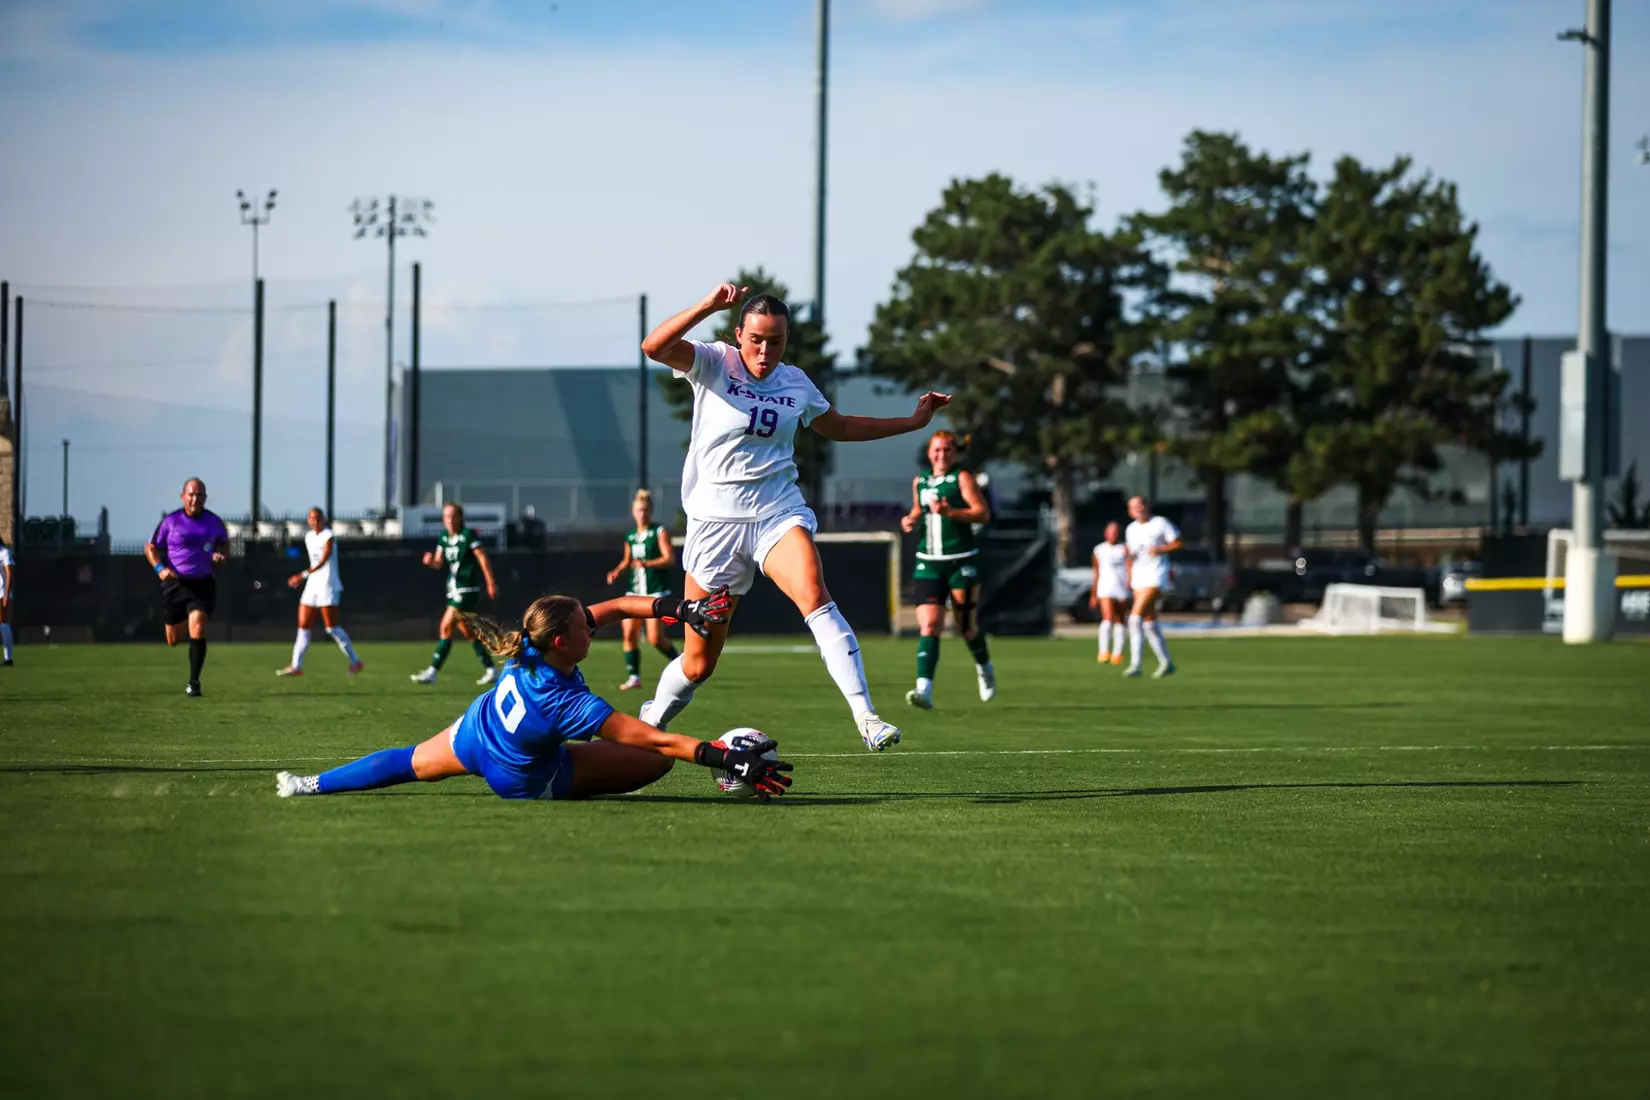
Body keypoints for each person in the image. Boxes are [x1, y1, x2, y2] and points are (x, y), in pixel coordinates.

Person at [638, 283, 950, 751]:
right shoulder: (713, 361)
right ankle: (651, 722)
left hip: (776, 513)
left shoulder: (796, 383)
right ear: (738, 334)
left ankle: (866, 717)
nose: (765, 351)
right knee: (699, 664)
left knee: (815, 595)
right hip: (714, 525)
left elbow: (839, 426)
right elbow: (653, 347)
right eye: (756, 339)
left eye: (776, 341)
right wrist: (707, 305)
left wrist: (911, 422)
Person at [275, 586, 793, 804]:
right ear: (563, 642)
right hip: (523, 777)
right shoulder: (567, 701)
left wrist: (679, 610)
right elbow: (654, 742)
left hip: (477, 731)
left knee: (407, 762)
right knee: (654, 758)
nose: (592, 629)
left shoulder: (530, 642)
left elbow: (615, 607)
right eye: (584, 628)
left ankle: (309, 785)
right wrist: (723, 756)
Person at [899, 429, 995, 709]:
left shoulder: (962, 478)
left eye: (947, 450)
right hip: (928, 562)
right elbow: (918, 510)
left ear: (955, 453)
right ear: (929, 453)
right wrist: (910, 519)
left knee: (965, 628)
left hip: (960, 560)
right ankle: (924, 689)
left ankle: (984, 668)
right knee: (930, 625)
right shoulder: (920, 481)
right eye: (937, 450)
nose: (942, 455)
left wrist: (950, 512)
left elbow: (982, 513)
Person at [144, 478, 229, 697]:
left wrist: (221, 556)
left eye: (199, 495)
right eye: (191, 494)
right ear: (183, 496)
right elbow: (151, 547)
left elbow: (224, 543)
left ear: (205, 498)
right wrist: (160, 569)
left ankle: (194, 682)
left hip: (203, 584)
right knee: (173, 639)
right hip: (175, 585)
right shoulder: (171, 522)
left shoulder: (213, 522)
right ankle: (187, 635)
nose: (195, 499)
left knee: (198, 625)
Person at [411, 502, 501, 686]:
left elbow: (482, 557)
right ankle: (491, 669)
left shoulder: (468, 535)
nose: (450, 520)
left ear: (460, 518)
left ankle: (433, 672)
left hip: (467, 589)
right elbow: (438, 563)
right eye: (446, 516)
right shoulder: (444, 538)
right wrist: (430, 562)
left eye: (453, 516)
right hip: (453, 589)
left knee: (445, 626)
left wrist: (491, 582)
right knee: (468, 632)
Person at [604, 489, 679, 691]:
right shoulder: (631, 536)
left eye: (645, 510)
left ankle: (680, 663)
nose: (641, 513)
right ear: (633, 512)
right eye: (638, 510)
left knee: (655, 638)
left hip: (655, 591)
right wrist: (617, 571)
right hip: (634, 591)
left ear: (650, 511)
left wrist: (647, 564)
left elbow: (669, 558)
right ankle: (634, 677)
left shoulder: (659, 532)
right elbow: (627, 560)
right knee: (629, 634)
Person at [276, 507, 364, 678]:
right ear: (308, 520)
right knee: (303, 626)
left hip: (328, 584)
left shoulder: (328, 535)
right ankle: (296, 666)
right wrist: (306, 577)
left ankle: (356, 661)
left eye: (318, 518)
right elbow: (314, 561)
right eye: (312, 518)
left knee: (331, 628)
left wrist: (301, 575)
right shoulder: (309, 536)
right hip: (312, 584)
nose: (315, 521)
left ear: (323, 519)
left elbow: (324, 560)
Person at [1123, 495, 1181, 678]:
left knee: (1134, 618)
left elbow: (1178, 543)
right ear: (1130, 511)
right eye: (1134, 507)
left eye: (1141, 505)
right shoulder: (1131, 529)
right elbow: (1132, 555)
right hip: (1139, 577)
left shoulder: (1160, 523)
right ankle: (1166, 662)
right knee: (1149, 622)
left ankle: (1135, 665)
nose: (1138, 509)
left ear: (1147, 506)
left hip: (1156, 575)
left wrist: (1160, 549)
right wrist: (1129, 576)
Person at [1090, 521, 1130, 666]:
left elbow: (1130, 567)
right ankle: (1103, 651)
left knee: (1120, 620)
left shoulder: (1124, 548)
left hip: (1121, 587)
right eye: (1111, 531)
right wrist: (1093, 594)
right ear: (1105, 533)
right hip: (1105, 588)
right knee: (1107, 618)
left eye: (1116, 531)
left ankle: (1117, 653)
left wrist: (1130, 584)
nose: (1113, 534)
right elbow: (1096, 572)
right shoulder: (1099, 550)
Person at [0, 535, 13, 667]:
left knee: (2, 623)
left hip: (1, 592)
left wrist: (6, 595)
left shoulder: (4, 552)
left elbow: (9, 574)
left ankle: (8, 658)